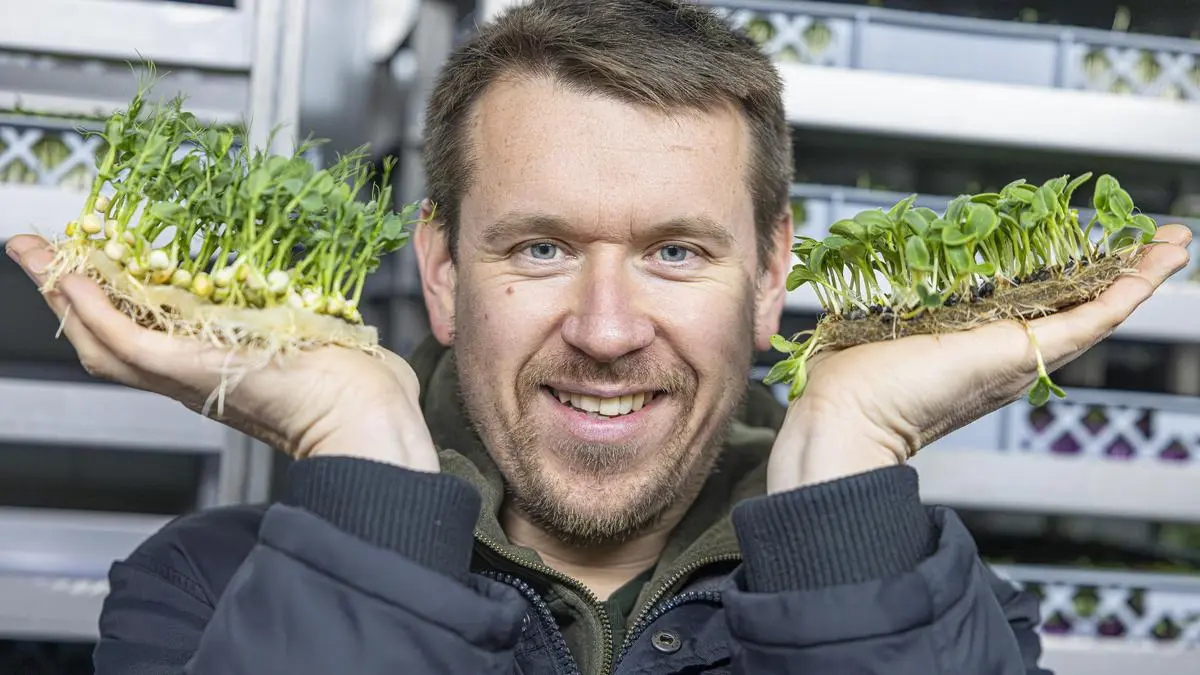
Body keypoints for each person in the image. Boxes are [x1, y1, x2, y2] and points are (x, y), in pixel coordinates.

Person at [5, 0, 1192, 673]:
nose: (608, 330)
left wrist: (850, 454)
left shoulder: (935, 607)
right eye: (540, 249)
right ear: (441, 272)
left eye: (677, 252)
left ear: (772, 275)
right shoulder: (202, 597)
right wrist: (360, 453)